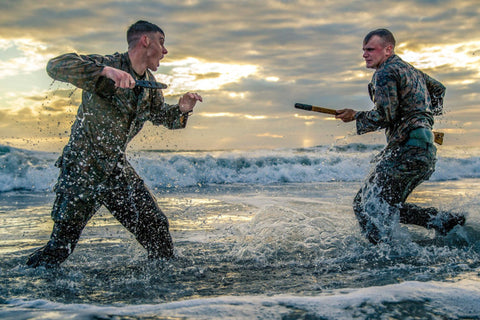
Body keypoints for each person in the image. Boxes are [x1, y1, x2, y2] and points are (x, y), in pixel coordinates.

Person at [27, 20, 202, 267]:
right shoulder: (106, 65)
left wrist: (182, 110)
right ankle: (21, 301)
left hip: (116, 171)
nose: (165, 51)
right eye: (161, 42)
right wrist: (105, 72)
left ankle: (156, 295)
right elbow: (56, 65)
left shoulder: (150, 87)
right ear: (146, 41)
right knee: (59, 249)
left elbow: (163, 116)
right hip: (83, 170)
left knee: (158, 232)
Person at [335, 28, 465, 244]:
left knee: (365, 204)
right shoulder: (411, 71)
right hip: (424, 152)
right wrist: (422, 117)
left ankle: (380, 254)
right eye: (363, 50)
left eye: (370, 49)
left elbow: (385, 115)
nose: (365, 54)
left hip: (408, 150)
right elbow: (439, 90)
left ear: (388, 49)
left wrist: (355, 115)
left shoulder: (384, 72)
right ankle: (445, 222)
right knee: (389, 206)